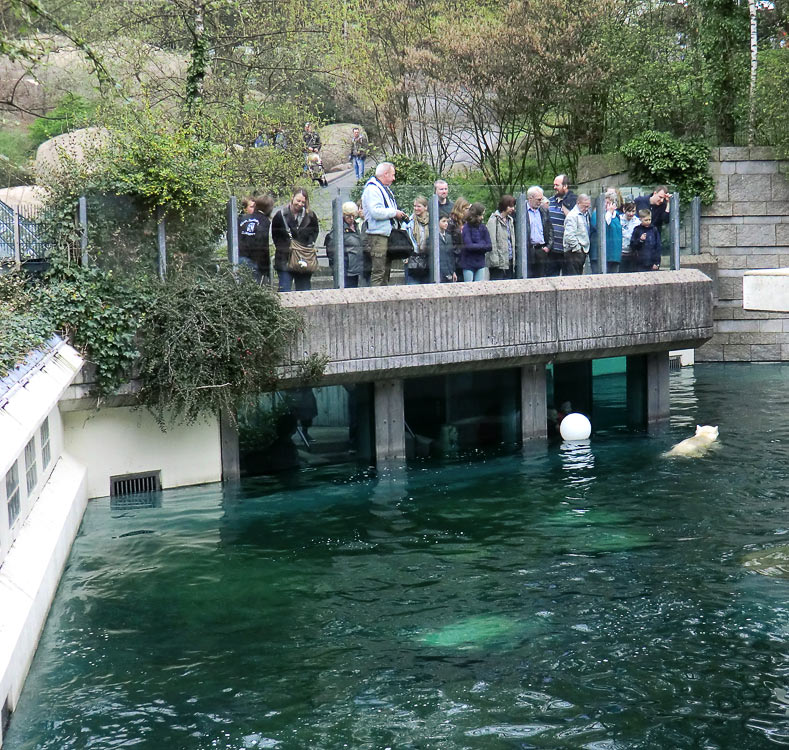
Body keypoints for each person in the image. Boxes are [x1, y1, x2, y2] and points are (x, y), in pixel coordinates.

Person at [361, 162, 407, 286]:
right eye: (392, 175)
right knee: (378, 272)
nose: (394, 178)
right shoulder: (372, 189)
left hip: (386, 234)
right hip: (377, 235)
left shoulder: (384, 189)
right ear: (385, 174)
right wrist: (394, 213)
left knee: (385, 272)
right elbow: (375, 212)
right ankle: (375, 301)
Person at [271, 188, 320, 292]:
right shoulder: (280, 215)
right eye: (298, 201)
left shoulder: (311, 216)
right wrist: (286, 248)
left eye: (303, 202)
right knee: (285, 290)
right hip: (285, 259)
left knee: (304, 290)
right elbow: (275, 236)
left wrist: (307, 245)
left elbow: (315, 232)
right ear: (292, 198)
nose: (300, 204)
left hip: (304, 258)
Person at [325, 201, 365, 288]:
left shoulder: (356, 226)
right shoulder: (338, 228)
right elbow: (332, 251)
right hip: (345, 270)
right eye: (348, 216)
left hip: (356, 269)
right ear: (343, 215)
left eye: (353, 216)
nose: (351, 218)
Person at [238, 195, 273, 283]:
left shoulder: (242, 219)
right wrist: (266, 268)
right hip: (254, 260)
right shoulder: (264, 221)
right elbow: (262, 244)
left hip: (239, 257)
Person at [548, 175, 577, 276]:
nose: (554, 187)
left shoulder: (575, 203)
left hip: (568, 250)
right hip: (552, 250)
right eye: (554, 185)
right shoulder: (550, 202)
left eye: (557, 185)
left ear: (565, 186)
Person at [589, 189, 622, 273]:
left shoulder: (617, 216)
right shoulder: (596, 214)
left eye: (609, 203)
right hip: (598, 256)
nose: (607, 205)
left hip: (614, 256)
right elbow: (601, 227)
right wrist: (609, 212)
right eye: (605, 202)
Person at [525, 186, 554, 277]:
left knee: (541, 279)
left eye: (541, 199)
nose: (540, 202)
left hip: (541, 250)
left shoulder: (544, 211)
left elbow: (550, 230)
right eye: (538, 199)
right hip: (527, 250)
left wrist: (548, 246)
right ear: (530, 198)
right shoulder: (521, 211)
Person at [486, 194, 516, 280]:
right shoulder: (493, 220)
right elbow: (492, 242)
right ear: (504, 206)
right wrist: (495, 261)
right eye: (510, 206)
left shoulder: (510, 220)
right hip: (498, 263)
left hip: (509, 260)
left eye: (513, 206)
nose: (513, 209)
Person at [460, 202, 491, 282]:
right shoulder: (466, 228)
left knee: (479, 288)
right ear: (476, 215)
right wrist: (482, 244)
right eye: (481, 215)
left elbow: (489, 246)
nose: (482, 217)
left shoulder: (483, 227)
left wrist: (477, 246)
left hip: (480, 263)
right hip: (468, 263)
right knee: (468, 288)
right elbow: (469, 246)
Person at [563, 193, 592, 275]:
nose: (587, 209)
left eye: (588, 207)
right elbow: (569, 235)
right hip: (573, 252)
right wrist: (577, 248)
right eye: (585, 206)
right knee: (574, 279)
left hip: (581, 251)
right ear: (578, 203)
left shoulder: (585, 215)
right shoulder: (572, 216)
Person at [404, 195, 430, 285]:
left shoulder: (432, 222)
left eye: (419, 206)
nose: (416, 208)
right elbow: (404, 241)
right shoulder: (409, 222)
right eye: (414, 206)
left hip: (428, 259)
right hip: (413, 258)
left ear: (425, 207)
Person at [448, 197, 470, 283]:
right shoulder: (451, 222)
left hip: (466, 258)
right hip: (456, 258)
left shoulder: (467, 221)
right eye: (466, 209)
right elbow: (450, 243)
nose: (467, 211)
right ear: (460, 208)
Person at [619, 201, 639, 273]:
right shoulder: (619, 219)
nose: (631, 214)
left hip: (632, 253)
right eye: (629, 211)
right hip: (621, 252)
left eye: (633, 211)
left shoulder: (637, 221)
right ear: (624, 210)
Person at [437, 214, 456, 283]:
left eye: (447, 222)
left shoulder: (448, 237)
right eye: (443, 221)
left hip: (449, 272)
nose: (446, 224)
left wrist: (453, 271)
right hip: (439, 272)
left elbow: (451, 256)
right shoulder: (433, 238)